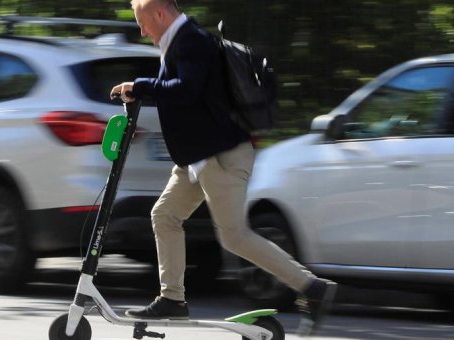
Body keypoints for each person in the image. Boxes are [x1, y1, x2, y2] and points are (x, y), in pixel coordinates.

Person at [109, 0, 337, 335]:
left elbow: (186, 91)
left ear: (159, 13)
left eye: (142, 22)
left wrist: (139, 87)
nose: (142, 31)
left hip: (221, 157)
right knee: (164, 216)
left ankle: (312, 288)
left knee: (234, 236)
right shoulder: (180, 40)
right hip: (199, 158)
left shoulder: (192, 40)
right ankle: (172, 298)